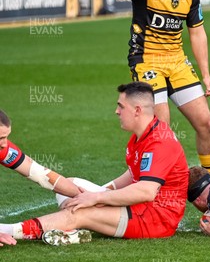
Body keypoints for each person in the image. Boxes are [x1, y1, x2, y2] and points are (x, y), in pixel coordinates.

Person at [0, 83, 189, 245]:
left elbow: (146, 191)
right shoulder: (143, 135)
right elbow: (133, 174)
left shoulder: (160, 142)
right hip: (141, 206)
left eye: (121, 106)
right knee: (70, 185)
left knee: (80, 213)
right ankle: (70, 230)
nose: (117, 111)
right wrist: (95, 195)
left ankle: (9, 231)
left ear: (137, 110)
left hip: (154, 218)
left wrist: (97, 199)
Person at [111, 0, 210, 179]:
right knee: (162, 130)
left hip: (177, 62)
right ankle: (160, 191)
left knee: (206, 123)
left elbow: (197, 32)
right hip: (147, 60)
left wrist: (206, 74)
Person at [0, 109, 80, 197]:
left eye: (6, 137)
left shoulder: (4, 150)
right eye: (1, 138)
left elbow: (40, 174)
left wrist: (84, 196)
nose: (4, 144)